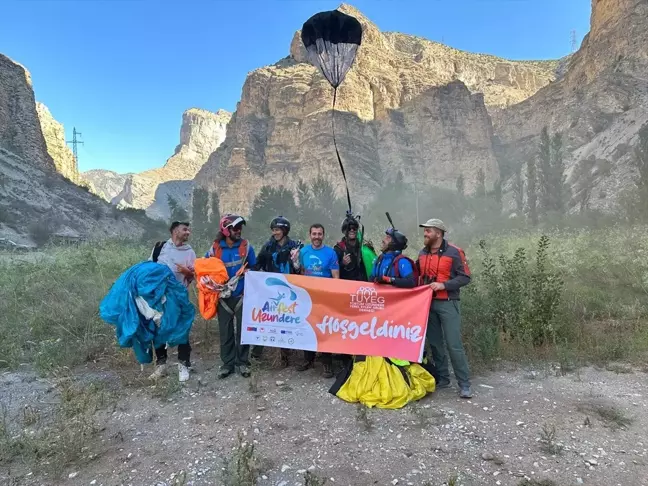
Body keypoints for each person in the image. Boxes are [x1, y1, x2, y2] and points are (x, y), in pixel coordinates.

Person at [417, 218, 473, 399]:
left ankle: (464, 383)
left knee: (453, 344)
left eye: (428, 231)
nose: (425, 234)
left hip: (448, 303)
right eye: (425, 231)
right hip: (428, 304)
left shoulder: (455, 252)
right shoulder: (421, 253)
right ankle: (443, 379)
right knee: (435, 343)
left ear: (439, 233)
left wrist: (444, 285)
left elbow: (465, 277)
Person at [205, 214, 257, 379]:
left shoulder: (246, 247)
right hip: (222, 298)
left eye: (240, 227)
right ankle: (227, 364)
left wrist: (251, 273)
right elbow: (205, 270)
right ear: (225, 230)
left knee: (243, 332)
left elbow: (254, 268)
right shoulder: (214, 250)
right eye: (235, 228)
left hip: (242, 296)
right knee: (225, 332)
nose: (239, 230)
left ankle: (242, 363)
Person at [148, 221, 197, 382]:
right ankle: (161, 365)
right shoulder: (160, 248)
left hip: (180, 296)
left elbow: (195, 275)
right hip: (161, 297)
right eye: (185, 229)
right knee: (159, 330)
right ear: (175, 231)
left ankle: (183, 364)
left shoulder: (189, 252)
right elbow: (149, 269)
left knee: (183, 329)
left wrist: (186, 271)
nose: (188, 232)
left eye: (188, 230)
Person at [250, 216, 301, 366]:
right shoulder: (268, 247)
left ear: (284, 230)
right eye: (273, 230)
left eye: (277, 230)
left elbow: (299, 269)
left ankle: (285, 355)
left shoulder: (294, 246)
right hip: (270, 290)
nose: (275, 233)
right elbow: (258, 264)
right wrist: (249, 274)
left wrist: (296, 261)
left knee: (286, 322)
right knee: (266, 319)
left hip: (289, 289)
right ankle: (256, 352)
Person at [291, 223, 339, 378]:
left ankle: (327, 363)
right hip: (307, 297)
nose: (317, 237)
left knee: (324, 329)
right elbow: (302, 272)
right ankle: (308, 359)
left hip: (324, 297)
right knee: (307, 327)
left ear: (323, 235)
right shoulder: (303, 252)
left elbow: (336, 277)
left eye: (319, 234)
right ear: (309, 235)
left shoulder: (330, 253)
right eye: (314, 234)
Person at [333, 216, 367, 282]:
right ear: (344, 231)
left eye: (354, 228)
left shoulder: (363, 247)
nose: (352, 230)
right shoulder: (338, 249)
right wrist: (342, 263)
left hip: (361, 285)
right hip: (346, 284)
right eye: (349, 228)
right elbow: (333, 269)